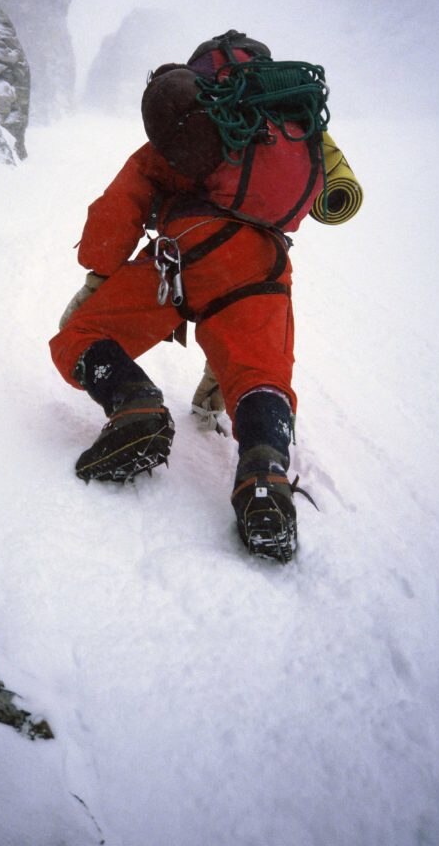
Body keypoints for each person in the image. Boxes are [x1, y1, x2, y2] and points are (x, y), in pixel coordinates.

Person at [50, 30, 360, 562]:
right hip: (262, 269)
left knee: (78, 336)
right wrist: (226, 354)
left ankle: (135, 406)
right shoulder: (291, 131)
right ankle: (263, 475)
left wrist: (98, 276)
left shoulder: (190, 130)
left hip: (183, 254)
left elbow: (123, 201)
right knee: (261, 379)